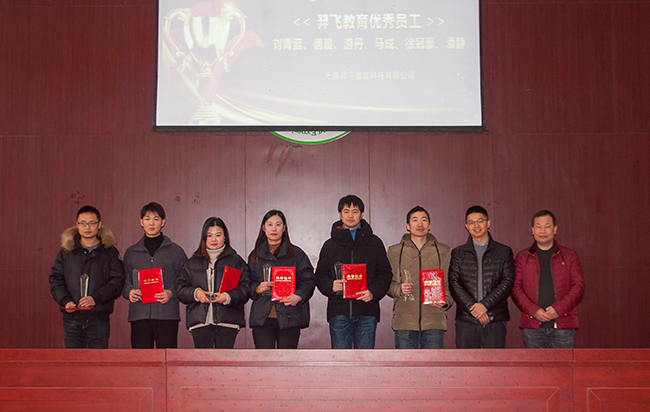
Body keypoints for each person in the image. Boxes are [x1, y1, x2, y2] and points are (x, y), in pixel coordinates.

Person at [315, 195, 392, 349]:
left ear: (362, 214)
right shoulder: (330, 245)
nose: (350, 215)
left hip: (367, 310)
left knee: (365, 360)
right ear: (340, 214)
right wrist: (331, 285)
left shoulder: (374, 242)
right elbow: (320, 275)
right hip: (339, 311)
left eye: (355, 211)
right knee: (340, 360)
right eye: (346, 211)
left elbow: (385, 274)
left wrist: (373, 292)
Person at [49, 205, 126, 348]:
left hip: (98, 317)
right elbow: (55, 279)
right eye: (83, 223)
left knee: (98, 360)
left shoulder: (109, 252)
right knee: (73, 360)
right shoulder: (66, 252)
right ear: (77, 225)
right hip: (72, 318)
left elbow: (117, 281)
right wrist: (65, 301)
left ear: (99, 225)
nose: (87, 227)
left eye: (92, 223)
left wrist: (95, 298)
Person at [512, 210, 586, 348]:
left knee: (563, 363)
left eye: (547, 226)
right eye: (538, 226)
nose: (543, 231)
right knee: (536, 363)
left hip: (563, 324)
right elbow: (516, 288)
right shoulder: (522, 257)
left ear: (555, 229)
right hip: (533, 325)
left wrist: (557, 309)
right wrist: (535, 311)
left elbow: (579, 285)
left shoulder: (569, 256)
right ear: (533, 230)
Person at [175, 217, 250, 348]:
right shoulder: (192, 263)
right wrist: (196, 293)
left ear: (225, 237)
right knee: (202, 360)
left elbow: (246, 287)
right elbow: (180, 287)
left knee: (224, 360)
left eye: (218, 235)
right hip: (200, 321)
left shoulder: (236, 261)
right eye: (209, 235)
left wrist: (227, 296)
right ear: (204, 237)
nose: (213, 239)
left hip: (227, 320)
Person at [121, 202, 188, 348]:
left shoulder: (176, 251)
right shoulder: (131, 253)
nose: (151, 223)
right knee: (142, 359)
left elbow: (185, 280)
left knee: (167, 359)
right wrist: (129, 291)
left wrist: (171, 292)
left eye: (156, 219)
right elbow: (122, 279)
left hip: (167, 315)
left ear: (163, 222)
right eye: (147, 219)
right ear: (141, 222)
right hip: (139, 315)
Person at [449, 205, 514, 348]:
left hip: (494, 319)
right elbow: (454, 283)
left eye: (480, 221)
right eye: (471, 222)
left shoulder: (504, 251)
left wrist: (485, 305)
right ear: (466, 226)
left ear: (488, 223)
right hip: (466, 320)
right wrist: (475, 309)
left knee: (495, 361)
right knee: (467, 362)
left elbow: (507, 282)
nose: (476, 226)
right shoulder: (458, 253)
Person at [387, 206, 453, 349]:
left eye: (424, 220)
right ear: (408, 226)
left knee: (433, 363)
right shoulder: (394, 251)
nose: (420, 224)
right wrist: (398, 289)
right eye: (415, 220)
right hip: (404, 321)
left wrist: (445, 301)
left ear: (429, 225)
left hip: (434, 320)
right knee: (406, 363)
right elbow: (386, 283)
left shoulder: (443, 250)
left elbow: (450, 282)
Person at [248, 210, 315, 348]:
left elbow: (308, 280)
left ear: (284, 228)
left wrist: (299, 296)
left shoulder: (296, 254)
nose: (274, 229)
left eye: (278, 224)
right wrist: (257, 288)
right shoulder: (255, 256)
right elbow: (247, 282)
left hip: (289, 315)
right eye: (270, 224)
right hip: (263, 317)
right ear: (263, 228)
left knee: (287, 359)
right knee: (264, 359)